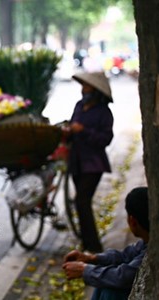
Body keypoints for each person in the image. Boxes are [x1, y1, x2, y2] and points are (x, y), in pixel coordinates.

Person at [62, 186, 149, 300]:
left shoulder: (153, 251)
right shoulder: (147, 242)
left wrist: (84, 270)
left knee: (110, 290)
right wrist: (92, 258)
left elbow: (123, 277)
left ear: (132, 221)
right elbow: (125, 256)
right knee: (105, 281)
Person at [66, 71, 114, 253]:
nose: (83, 91)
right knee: (80, 202)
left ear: (95, 91)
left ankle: (94, 246)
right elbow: (72, 124)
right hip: (76, 161)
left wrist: (83, 130)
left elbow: (105, 138)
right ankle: (86, 243)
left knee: (82, 201)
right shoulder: (79, 106)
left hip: (93, 163)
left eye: (87, 87)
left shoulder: (104, 113)